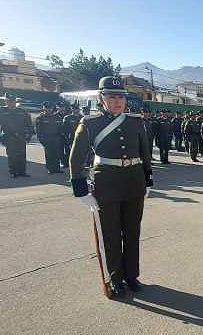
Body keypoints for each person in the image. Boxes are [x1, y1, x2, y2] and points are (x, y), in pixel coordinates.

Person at [69, 76, 153, 298]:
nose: (117, 101)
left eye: (121, 97)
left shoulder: (136, 122)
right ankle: (115, 278)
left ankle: (131, 275)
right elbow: (75, 158)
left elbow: (145, 153)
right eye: (112, 97)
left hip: (134, 181)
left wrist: (148, 179)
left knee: (133, 231)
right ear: (101, 98)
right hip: (107, 183)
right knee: (111, 233)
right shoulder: (90, 123)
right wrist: (81, 191)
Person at [0, 92, 34, 177]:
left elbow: (29, 124)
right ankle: (13, 172)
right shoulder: (0, 110)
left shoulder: (22, 111)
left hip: (21, 136)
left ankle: (22, 172)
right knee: (12, 155)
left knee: (22, 155)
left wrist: (29, 136)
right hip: (9, 137)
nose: (11, 102)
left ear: (15, 101)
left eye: (12, 101)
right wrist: (0, 138)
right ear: (5, 101)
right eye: (9, 101)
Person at [35, 102, 64, 174]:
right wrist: (40, 139)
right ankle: (50, 169)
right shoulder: (40, 118)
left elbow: (60, 128)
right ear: (44, 108)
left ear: (52, 109)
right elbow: (38, 130)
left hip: (56, 138)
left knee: (57, 154)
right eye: (46, 108)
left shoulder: (57, 117)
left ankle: (57, 168)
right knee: (49, 154)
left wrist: (60, 137)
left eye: (50, 108)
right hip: (46, 138)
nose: (48, 110)